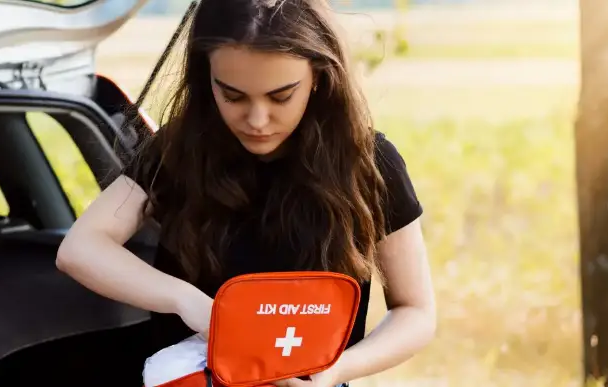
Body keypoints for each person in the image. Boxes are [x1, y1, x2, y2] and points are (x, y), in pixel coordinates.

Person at [55, 0, 436, 385]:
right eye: (233, 96)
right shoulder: (182, 151)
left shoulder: (368, 164)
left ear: (319, 77)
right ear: (207, 78)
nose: (256, 120)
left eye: (281, 96)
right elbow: (81, 249)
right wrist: (189, 303)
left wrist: (335, 370)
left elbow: (415, 311)